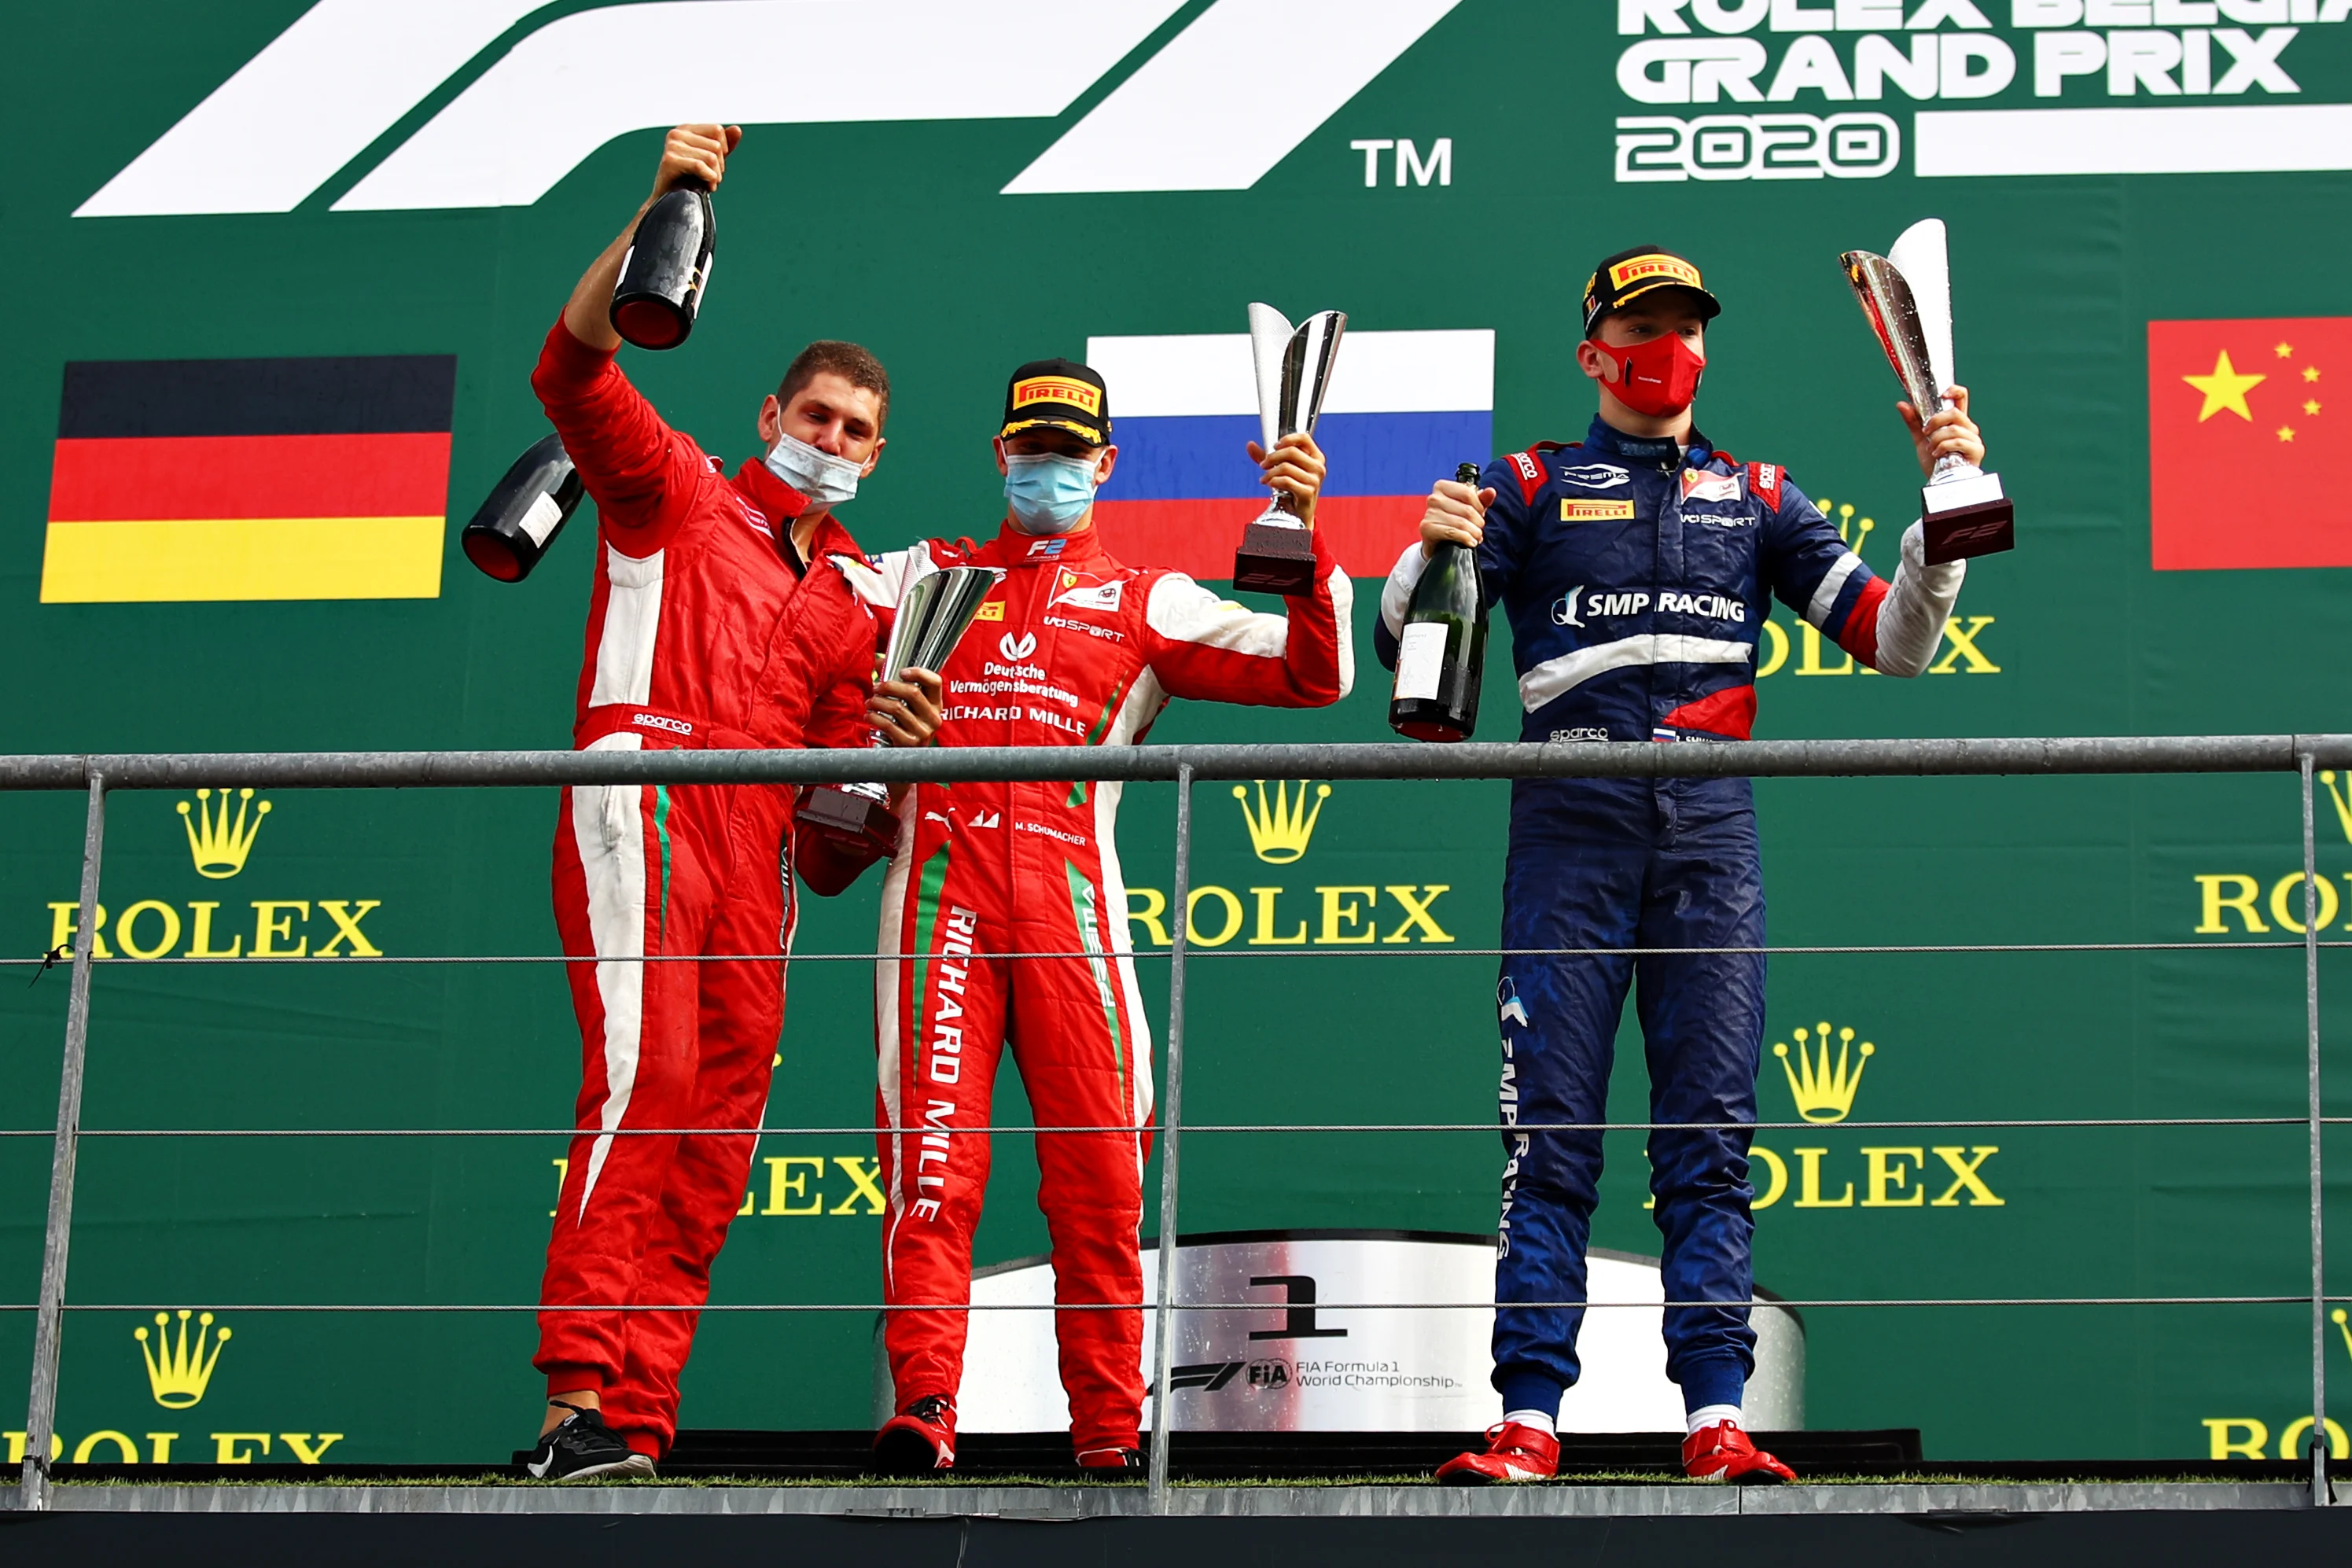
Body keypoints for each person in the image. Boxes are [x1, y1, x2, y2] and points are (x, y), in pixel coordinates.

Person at [1377, 247, 1982, 1485]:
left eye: (1688, 325)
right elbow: (1405, 641)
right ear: (1595, 347)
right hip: (1569, 822)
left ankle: (1716, 1415)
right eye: (1645, 323)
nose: (1672, 344)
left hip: (1708, 833)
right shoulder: (1529, 482)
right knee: (1545, 1137)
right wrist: (1423, 546)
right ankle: (1527, 1419)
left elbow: (1897, 641)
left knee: (1707, 1134)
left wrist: (1941, 516)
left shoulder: (1757, 492)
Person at [811, 359, 1353, 1473]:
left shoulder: (1144, 597)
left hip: (1071, 907)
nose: (1047, 467)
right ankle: (923, 1405)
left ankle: (1108, 1427)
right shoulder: (915, 576)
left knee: (1101, 1177)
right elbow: (791, 622)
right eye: (1029, 448)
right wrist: (855, 729)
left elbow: (1313, 676)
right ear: (999, 456)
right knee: (929, 1166)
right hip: (937, 896)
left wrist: (1305, 539)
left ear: (1104, 465)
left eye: (1069, 451)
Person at [521, 123, 942, 1481]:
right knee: (641, 1084)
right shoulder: (674, 489)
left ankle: (636, 1422)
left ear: (879, 458)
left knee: (716, 1139)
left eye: (858, 432)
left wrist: (889, 766)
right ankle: (567, 1404)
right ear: (771, 418)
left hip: (753, 854)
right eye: (816, 417)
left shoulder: (848, 608)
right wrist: (662, 207)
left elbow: (828, 859)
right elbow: (571, 362)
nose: (834, 441)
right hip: (641, 789)